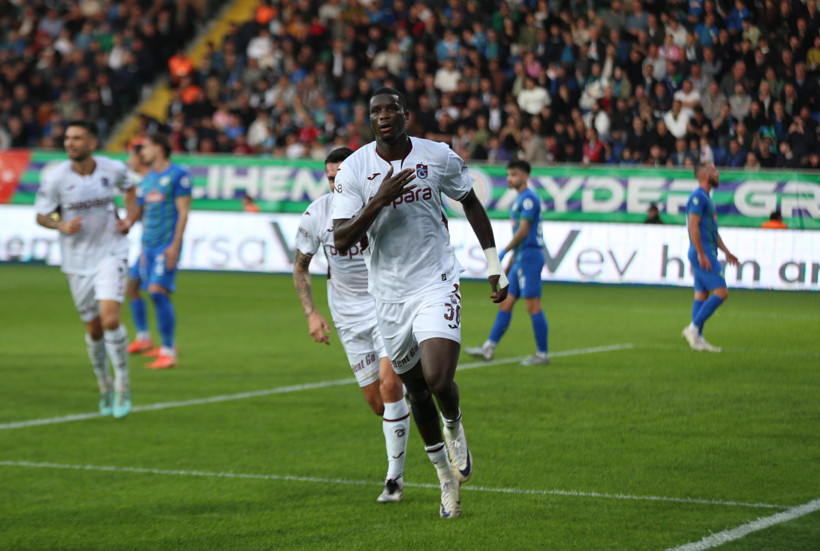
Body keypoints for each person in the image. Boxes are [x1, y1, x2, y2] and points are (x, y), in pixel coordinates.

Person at [332, 87, 509, 519]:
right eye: (376, 111)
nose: (384, 115)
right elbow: (340, 239)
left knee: (438, 378)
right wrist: (380, 200)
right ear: (369, 120)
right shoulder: (354, 169)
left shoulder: (437, 155)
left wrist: (493, 264)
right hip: (388, 295)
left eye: (392, 108)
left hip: (436, 280)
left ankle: (455, 424)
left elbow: (470, 202)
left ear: (406, 115)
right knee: (414, 392)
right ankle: (446, 481)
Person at [293, 147, 410, 503]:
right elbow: (300, 266)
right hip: (345, 316)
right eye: (330, 177)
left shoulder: (379, 203)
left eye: (340, 175)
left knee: (391, 386)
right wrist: (311, 313)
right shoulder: (316, 215)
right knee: (379, 404)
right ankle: (417, 405)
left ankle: (394, 480)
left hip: (383, 305)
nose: (335, 182)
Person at [34, 120, 138, 418]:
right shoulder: (56, 179)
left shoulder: (111, 169)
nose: (70, 143)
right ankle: (103, 384)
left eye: (77, 138)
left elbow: (131, 191)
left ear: (91, 142)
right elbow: (41, 216)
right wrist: (60, 224)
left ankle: (123, 384)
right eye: (67, 138)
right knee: (93, 330)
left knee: (110, 319)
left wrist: (129, 219)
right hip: (77, 262)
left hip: (111, 253)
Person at [464, 160, 549, 366]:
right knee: (506, 303)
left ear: (525, 176)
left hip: (529, 257)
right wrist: (511, 262)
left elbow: (523, 231)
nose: (510, 179)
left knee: (533, 306)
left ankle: (542, 354)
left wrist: (503, 251)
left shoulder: (528, 198)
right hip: (521, 258)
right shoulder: (521, 198)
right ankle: (489, 347)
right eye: (508, 175)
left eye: (514, 175)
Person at [131, 132, 192, 369]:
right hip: (148, 245)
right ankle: (154, 342)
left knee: (157, 291)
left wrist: (175, 245)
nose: (142, 152)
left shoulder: (178, 175)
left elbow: (184, 211)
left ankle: (168, 350)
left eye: (145, 147)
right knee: (137, 287)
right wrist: (143, 249)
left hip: (167, 244)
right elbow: (143, 217)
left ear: (158, 147)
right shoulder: (146, 180)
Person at [682, 162, 739, 352]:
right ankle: (693, 329)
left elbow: (713, 231)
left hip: (707, 251)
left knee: (701, 295)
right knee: (722, 293)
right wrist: (700, 253)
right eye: (714, 171)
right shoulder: (698, 197)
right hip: (703, 253)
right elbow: (693, 226)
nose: (718, 173)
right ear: (706, 175)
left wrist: (726, 251)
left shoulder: (706, 198)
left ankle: (698, 339)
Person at [124, 141, 155, 355]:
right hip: (146, 244)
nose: (128, 161)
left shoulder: (153, 182)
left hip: (156, 246)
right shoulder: (142, 183)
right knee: (132, 287)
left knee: (158, 292)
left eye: (131, 156)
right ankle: (144, 337)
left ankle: (168, 343)